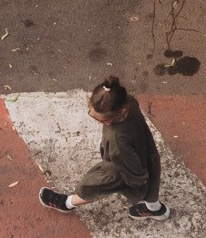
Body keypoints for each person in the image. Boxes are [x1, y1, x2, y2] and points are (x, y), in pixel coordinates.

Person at [39, 74, 169, 219]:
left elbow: (133, 173)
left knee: (93, 186)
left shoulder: (117, 140)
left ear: (110, 119)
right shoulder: (130, 102)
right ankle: (155, 209)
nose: (91, 115)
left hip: (120, 170)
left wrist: (137, 183)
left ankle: (67, 203)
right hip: (145, 151)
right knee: (152, 181)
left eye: (100, 119)